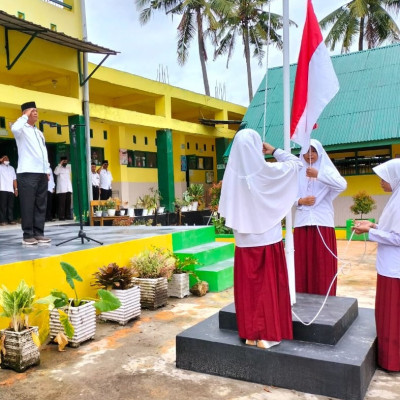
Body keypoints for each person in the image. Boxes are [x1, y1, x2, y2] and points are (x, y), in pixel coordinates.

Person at [219, 128, 302, 349]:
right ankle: (268, 335)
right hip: (267, 239)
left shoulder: (232, 177)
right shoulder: (269, 171)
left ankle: (250, 333)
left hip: (245, 242)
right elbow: (297, 164)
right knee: (267, 287)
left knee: (250, 289)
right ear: (258, 147)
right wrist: (274, 150)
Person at [354, 159, 400, 371]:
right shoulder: (395, 198)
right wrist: (373, 225)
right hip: (388, 266)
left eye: (384, 178)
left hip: (395, 269)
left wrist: (370, 232)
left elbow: (398, 237)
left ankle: (392, 361)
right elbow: (391, 229)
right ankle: (387, 357)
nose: (381, 182)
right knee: (386, 314)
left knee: (393, 316)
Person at [293, 139, 347, 296]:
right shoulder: (296, 171)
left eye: (314, 151)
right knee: (302, 263)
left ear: (320, 152)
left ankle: (325, 295)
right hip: (302, 223)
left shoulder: (326, 170)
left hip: (322, 223)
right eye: (307, 150)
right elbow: (286, 195)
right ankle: (301, 295)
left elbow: (342, 185)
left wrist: (319, 175)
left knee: (322, 264)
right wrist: (300, 201)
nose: (310, 154)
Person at [11, 102, 51, 245]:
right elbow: (14, 127)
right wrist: (24, 116)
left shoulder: (39, 132)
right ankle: (27, 235)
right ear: (25, 113)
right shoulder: (21, 129)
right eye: (32, 111)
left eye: (36, 111)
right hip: (27, 173)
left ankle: (38, 233)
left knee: (41, 204)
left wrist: (47, 170)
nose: (36, 113)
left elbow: (43, 153)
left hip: (41, 173)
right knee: (28, 204)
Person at [0, 155, 18, 225]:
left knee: (10, 206)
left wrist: (16, 189)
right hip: (2, 189)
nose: (6, 160)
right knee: (3, 206)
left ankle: (10, 220)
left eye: (7, 158)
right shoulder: (0, 167)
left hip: (10, 189)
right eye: (5, 159)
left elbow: (14, 179)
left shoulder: (12, 168)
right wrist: (1, 160)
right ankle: (2, 221)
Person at [54, 156, 73, 220]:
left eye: (66, 161)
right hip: (62, 189)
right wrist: (60, 164)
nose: (65, 162)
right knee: (62, 204)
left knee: (68, 203)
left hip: (68, 188)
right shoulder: (58, 167)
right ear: (61, 161)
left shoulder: (68, 167)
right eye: (64, 161)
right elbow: (56, 173)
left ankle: (68, 215)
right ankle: (61, 216)